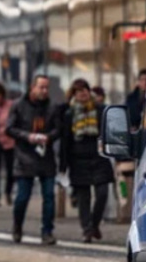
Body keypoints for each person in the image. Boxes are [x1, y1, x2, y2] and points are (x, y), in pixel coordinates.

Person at [7, 75, 61, 245]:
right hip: (25, 157)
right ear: (33, 87)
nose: (44, 91)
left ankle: (47, 231)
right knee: (22, 196)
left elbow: (59, 129)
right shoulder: (18, 105)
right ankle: (17, 226)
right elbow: (9, 128)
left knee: (49, 197)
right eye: (41, 87)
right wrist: (27, 136)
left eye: (46, 88)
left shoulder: (52, 107)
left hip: (46, 157)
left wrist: (48, 137)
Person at [60, 79, 115, 243]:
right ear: (74, 94)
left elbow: (109, 132)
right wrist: (63, 165)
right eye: (79, 91)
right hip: (78, 160)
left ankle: (94, 224)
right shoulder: (69, 114)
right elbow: (65, 141)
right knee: (83, 199)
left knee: (102, 194)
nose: (83, 93)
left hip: (99, 158)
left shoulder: (100, 110)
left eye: (85, 90)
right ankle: (87, 230)